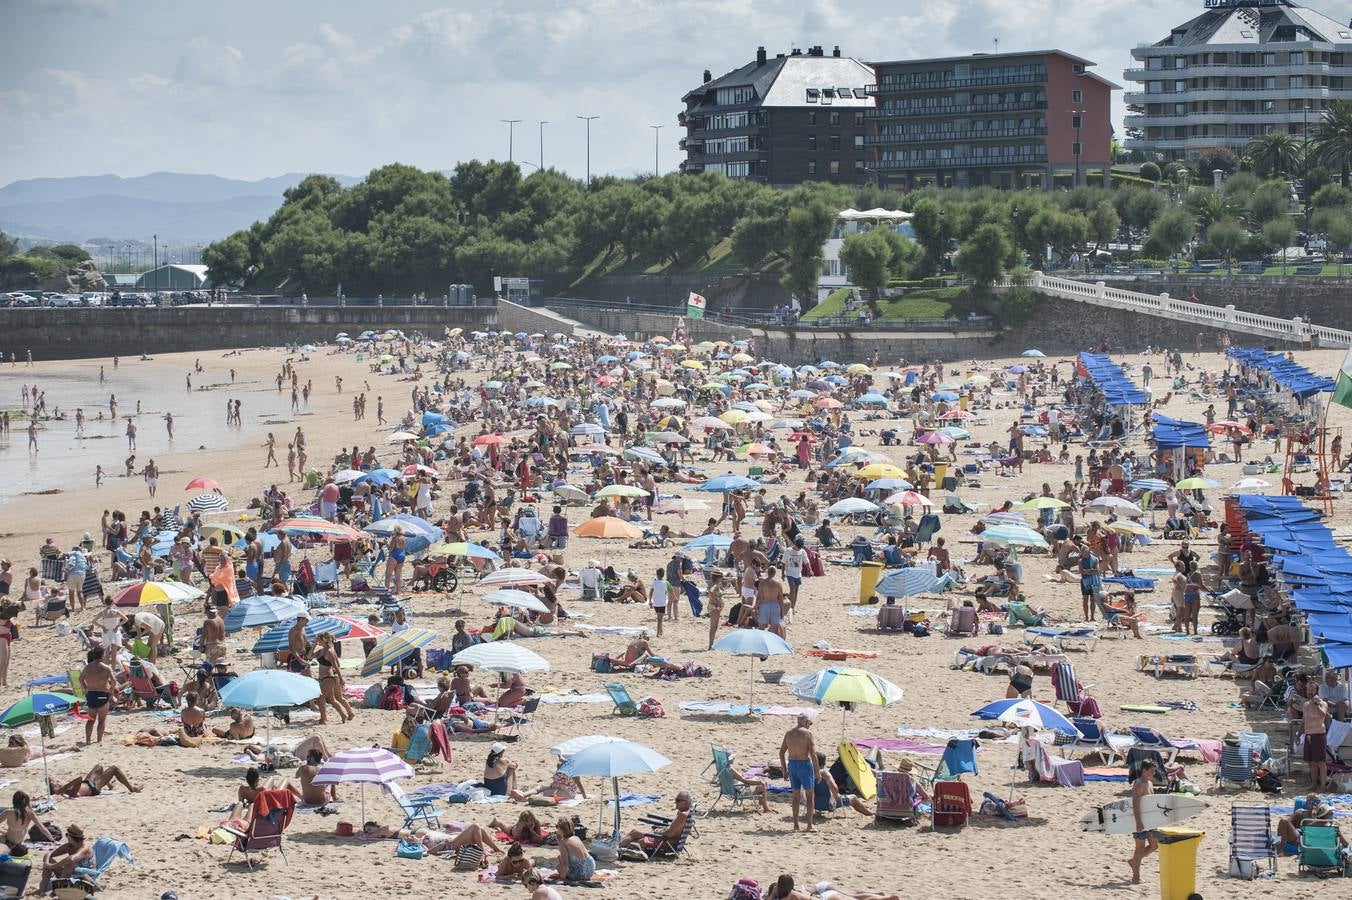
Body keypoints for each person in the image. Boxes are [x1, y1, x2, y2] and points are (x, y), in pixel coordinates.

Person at [779, 714, 819, 832]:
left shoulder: (789, 733)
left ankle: (796, 825)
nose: (809, 726)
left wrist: (784, 769)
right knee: (810, 796)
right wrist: (817, 771)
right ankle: (809, 826)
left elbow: (781, 752)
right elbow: (813, 754)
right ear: (806, 722)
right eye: (809, 723)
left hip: (792, 765)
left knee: (796, 796)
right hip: (804, 765)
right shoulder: (807, 734)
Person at [621, 791, 692, 849]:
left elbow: (669, 834)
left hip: (667, 842)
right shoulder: (685, 813)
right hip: (668, 840)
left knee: (635, 837)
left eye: (678, 800)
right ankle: (618, 847)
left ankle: (616, 848)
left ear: (685, 802)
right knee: (635, 834)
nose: (676, 802)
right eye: (676, 800)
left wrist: (658, 831)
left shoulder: (682, 815)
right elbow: (673, 830)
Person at [1127, 758, 1159, 885]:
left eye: (1154, 771)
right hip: (1139, 821)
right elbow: (1135, 805)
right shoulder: (1139, 784)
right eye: (1152, 771)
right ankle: (1136, 876)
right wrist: (1138, 822)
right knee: (1139, 849)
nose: (1154, 773)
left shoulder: (1149, 783)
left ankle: (1133, 862)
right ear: (1144, 770)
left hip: (1150, 821)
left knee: (1154, 846)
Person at [37, 823, 92, 894]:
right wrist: (47, 863)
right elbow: (49, 853)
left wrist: (52, 866)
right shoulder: (69, 846)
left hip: (85, 877)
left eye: (67, 835)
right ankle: (42, 890)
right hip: (69, 875)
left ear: (72, 837)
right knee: (50, 861)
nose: (67, 838)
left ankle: (56, 891)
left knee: (69, 864)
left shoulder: (84, 848)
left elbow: (71, 859)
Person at [313, 632, 354, 724]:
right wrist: (314, 645)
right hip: (326, 677)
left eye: (318, 639)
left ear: (324, 639)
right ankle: (347, 714)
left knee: (322, 699)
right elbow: (309, 656)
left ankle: (323, 719)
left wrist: (341, 678)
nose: (317, 640)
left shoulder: (329, 652)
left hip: (330, 677)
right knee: (334, 699)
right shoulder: (321, 651)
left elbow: (336, 666)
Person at [813, 751, 871, 816]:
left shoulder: (808, 772)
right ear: (824, 763)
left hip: (813, 804)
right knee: (853, 797)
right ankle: (869, 814)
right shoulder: (824, 773)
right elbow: (834, 788)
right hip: (827, 805)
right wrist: (837, 795)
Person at [79, 647, 115, 744]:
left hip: (91, 695)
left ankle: (88, 740)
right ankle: (99, 740)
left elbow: (80, 679)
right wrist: (111, 691)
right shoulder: (106, 668)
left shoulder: (87, 667)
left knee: (91, 719)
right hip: (102, 695)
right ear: (102, 655)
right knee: (102, 720)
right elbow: (114, 681)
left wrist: (86, 688)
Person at [48, 764, 141, 798]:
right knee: (114, 769)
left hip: (87, 782)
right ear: (56, 791)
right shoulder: (70, 793)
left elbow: (80, 780)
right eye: (56, 785)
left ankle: (109, 785)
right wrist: (63, 788)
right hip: (93, 788)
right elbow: (79, 779)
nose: (58, 783)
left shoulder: (66, 789)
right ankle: (132, 789)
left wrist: (52, 782)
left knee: (99, 767)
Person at [1303, 681, 1330, 791]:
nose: (1309, 692)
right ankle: (1314, 784)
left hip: (1318, 734)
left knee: (1321, 763)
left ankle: (1323, 786)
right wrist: (1299, 734)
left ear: (1316, 691)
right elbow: (1304, 720)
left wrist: (1317, 705)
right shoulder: (1305, 704)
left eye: (1312, 689)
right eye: (1308, 689)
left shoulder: (1323, 703)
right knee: (1312, 763)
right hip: (1308, 735)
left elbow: (1323, 715)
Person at [552, 817, 596, 882]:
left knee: (558, 867)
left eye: (557, 827)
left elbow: (565, 863)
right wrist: (559, 840)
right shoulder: (576, 838)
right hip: (591, 867)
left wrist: (561, 878)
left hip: (581, 873)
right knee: (559, 857)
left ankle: (568, 874)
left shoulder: (563, 842)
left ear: (561, 829)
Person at [649, 566, 669, 637]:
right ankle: (658, 633)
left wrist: (650, 601)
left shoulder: (654, 583)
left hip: (655, 603)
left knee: (659, 617)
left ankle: (661, 631)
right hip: (662, 603)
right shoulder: (665, 583)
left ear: (657, 575)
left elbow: (651, 592)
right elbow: (666, 592)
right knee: (660, 619)